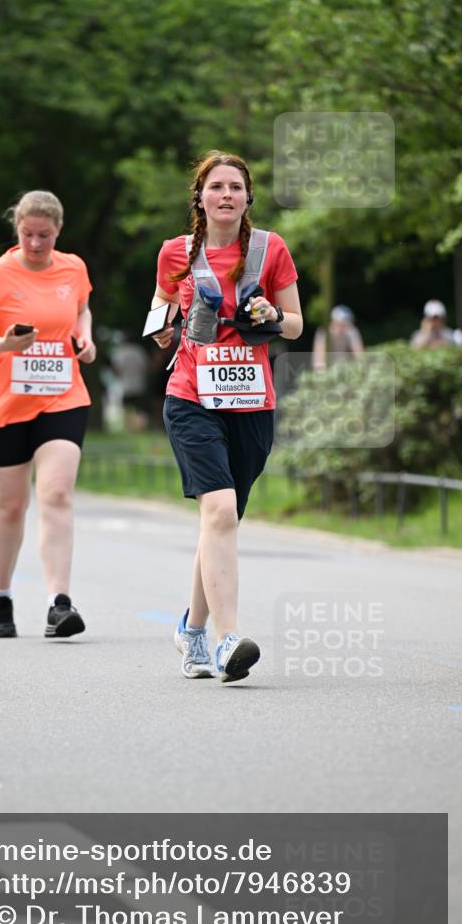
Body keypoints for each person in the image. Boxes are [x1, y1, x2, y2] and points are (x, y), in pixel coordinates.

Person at [151, 150, 302, 682]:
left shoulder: (269, 249)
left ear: (248, 197)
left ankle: (190, 629)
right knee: (218, 511)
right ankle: (226, 639)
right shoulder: (176, 252)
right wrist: (168, 329)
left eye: (236, 187)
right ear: (200, 197)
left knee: (224, 518)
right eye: (216, 186)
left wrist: (270, 313)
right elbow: (159, 316)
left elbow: (296, 325)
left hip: (251, 400)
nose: (226, 195)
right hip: (191, 394)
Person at [0, 189, 96, 639]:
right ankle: (1, 596)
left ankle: (60, 603)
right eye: (27, 234)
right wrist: (3, 345)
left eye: (45, 235)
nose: (36, 243)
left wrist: (85, 339)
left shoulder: (73, 267)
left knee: (56, 493)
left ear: (58, 231)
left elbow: (81, 309)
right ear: (17, 230)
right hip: (1, 402)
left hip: (61, 395)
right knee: (11, 504)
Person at [312, 304, 363, 371]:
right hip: (327, 368)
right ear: (332, 322)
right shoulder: (323, 332)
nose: (342, 328)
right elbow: (318, 358)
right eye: (339, 324)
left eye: (345, 324)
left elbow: (360, 356)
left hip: (344, 367)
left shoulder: (351, 331)